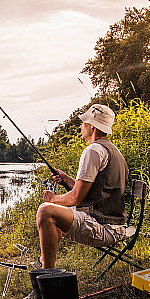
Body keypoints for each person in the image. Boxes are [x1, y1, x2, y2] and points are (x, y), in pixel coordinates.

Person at [36, 103, 129, 270]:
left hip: (104, 227)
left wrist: (53, 199)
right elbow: (97, 190)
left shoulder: (93, 151)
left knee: (46, 211)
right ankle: (44, 261)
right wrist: (68, 180)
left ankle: (47, 275)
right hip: (115, 224)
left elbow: (76, 198)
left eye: (84, 123)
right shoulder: (113, 151)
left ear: (92, 127)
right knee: (54, 211)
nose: (81, 126)